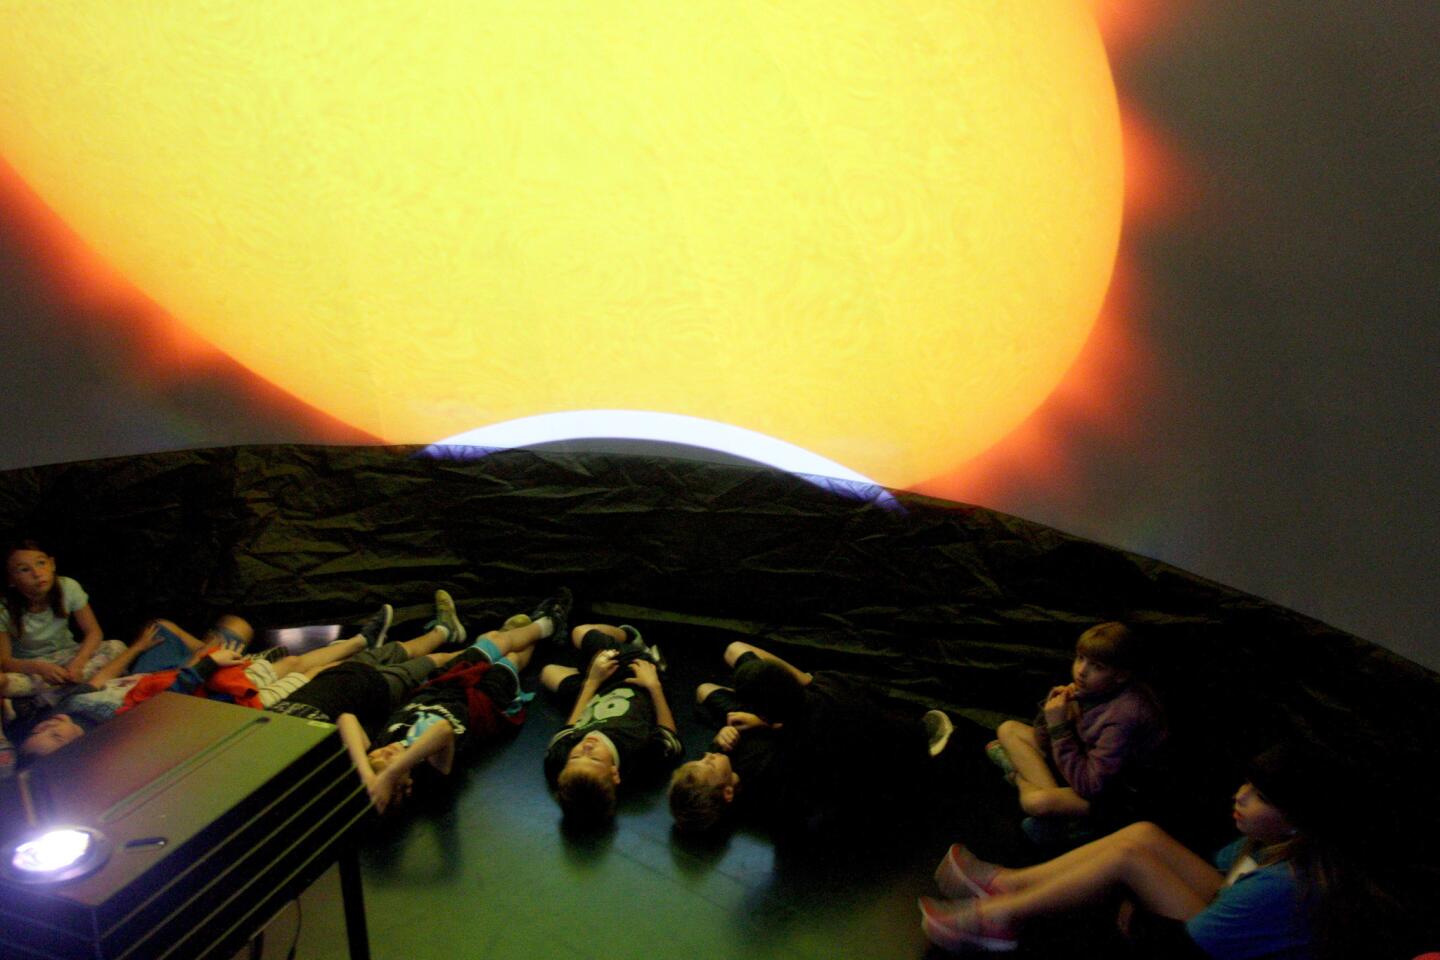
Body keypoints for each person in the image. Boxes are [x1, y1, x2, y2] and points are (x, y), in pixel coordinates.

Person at [919, 743, 1342, 958]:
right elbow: (1217, 879)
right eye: (1246, 784)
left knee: (1128, 861)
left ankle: (999, 918)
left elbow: (1188, 949)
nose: (1240, 796)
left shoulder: (1285, 883)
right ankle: (1007, 883)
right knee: (1141, 835)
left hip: (1208, 950)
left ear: (1295, 819)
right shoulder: (1264, 844)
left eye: (1260, 796)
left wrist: (1141, 904)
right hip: (1225, 914)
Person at [668, 641, 953, 835]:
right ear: (728, 793)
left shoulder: (723, 758)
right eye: (708, 762)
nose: (707, 755)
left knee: (707, 686)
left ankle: (777, 690)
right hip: (790, 723)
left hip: (764, 723)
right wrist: (765, 724)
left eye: (702, 757)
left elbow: (720, 752)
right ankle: (797, 681)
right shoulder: (776, 774)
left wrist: (723, 737)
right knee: (740, 658)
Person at [13, 609, 383, 758]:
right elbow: (172, 702)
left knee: (249, 638)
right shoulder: (111, 740)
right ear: (74, 751)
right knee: (298, 672)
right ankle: (365, 651)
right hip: (190, 689)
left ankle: (361, 643)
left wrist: (139, 647)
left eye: (44, 727)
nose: (52, 724)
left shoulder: (69, 707)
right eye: (55, 737)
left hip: (151, 674)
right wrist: (201, 666)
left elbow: (100, 679)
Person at [340, 595, 567, 813]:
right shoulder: (426, 775)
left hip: (440, 686)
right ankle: (543, 627)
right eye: (387, 763)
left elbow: (346, 719)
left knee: (494, 641)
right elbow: (443, 730)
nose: (384, 753)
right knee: (512, 659)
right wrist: (389, 775)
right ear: (404, 785)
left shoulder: (383, 744)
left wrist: (367, 774)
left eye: (375, 756)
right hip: (483, 700)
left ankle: (541, 625)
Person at [989, 622, 1165, 835]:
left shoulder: (1125, 715)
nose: (1081, 671)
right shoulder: (1094, 689)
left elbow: (1091, 787)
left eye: (1097, 666)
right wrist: (1051, 713)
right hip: (1082, 766)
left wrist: (1059, 726)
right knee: (1008, 729)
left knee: (1036, 802)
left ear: (1121, 675)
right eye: (1081, 659)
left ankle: (1018, 777)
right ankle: (1064, 820)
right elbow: (1044, 742)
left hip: (1115, 798)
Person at [541, 618, 681, 827]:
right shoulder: (640, 756)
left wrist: (592, 681)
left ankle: (590, 665)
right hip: (635, 679)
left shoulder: (558, 763)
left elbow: (568, 730)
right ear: (615, 774)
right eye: (595, 759)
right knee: (581, 630)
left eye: (576, 755)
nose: (586, 746)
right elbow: (669, 736)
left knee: (548, 672)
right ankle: (633, 640)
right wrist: (654, 686)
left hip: (596, 692)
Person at [2, 540, 128, 696]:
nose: (37, 573)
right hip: (31, 668)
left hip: (68, 656)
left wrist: (78, 663)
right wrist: (40, 668)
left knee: (117, 647)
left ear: (52, 564)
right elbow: (5, 662)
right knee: (3, 681)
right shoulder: (3, 609)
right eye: (24, 570)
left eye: (41, 563)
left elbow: (94, 632)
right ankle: (73, 690)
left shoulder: (68, 587)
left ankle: (45, 698)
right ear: (11, 580)